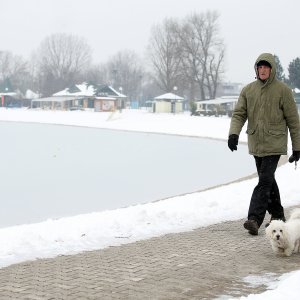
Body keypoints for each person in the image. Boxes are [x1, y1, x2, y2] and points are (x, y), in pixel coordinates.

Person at [228, 53, 300, 235]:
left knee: (264, 181)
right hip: (256, 144)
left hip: (274, 144)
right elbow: (239, 114)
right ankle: (278, 217)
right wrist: (233, 134)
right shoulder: (248, 90)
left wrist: (297, 147)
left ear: (272, 69)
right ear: (256, 69)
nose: (262, 70)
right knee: (269, 181)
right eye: (260, 67)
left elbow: (293, 120)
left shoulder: (283, 90)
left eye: (266, 67)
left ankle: (254, 218)